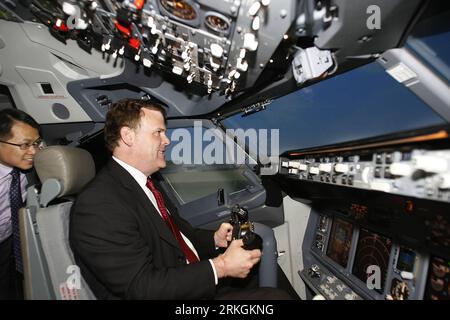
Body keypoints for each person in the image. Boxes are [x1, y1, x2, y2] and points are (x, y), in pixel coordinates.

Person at [70, 99, 290, 299]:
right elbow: (141, 288)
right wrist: (220, 266)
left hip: (184, 281)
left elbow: (181, 236)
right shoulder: (97, 204)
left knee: (266, 274)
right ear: (128, 136)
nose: (167, 140)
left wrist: (214, 239)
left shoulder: (148, 183)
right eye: (158, 133)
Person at [0, 108, 42, 299]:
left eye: (36, 143)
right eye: (25, 145)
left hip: (9, 242)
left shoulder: (31, 171)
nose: (33, 152)